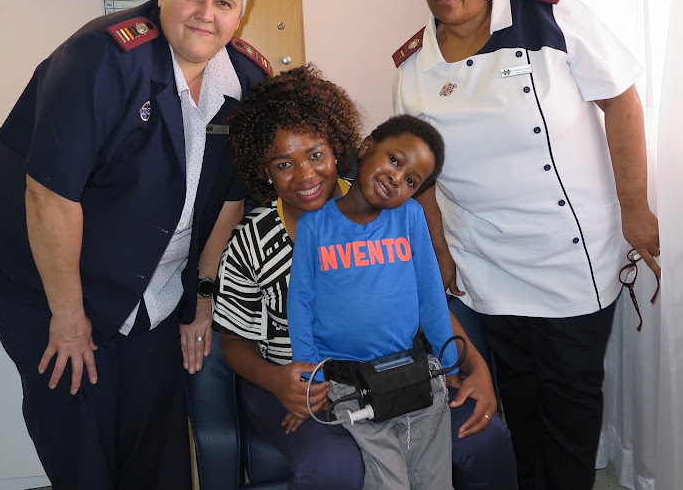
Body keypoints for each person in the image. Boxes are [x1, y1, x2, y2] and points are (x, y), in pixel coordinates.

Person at [0, 0, 271, 490]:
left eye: (223, 2)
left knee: (154, 409)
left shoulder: (247, 81)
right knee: (78, 392)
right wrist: (69, 317)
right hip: (29, 251)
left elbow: (231, 194)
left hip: (140, 257)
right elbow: (51, 194)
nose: (205, 14)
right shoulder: (103, 57)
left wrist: (201, 299)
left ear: (241, 13)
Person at [392, 0, 660, 490]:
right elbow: (421, 178)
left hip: (570, 256)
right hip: (486, 261)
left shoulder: (548, 16)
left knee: (569, 405)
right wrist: (439, 251)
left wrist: (635, 207)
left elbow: (621, 99)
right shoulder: (415, 67)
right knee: (520, 401)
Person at [213, 66, 517, 490]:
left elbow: (427, 299)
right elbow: (232, 341)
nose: (305, 175)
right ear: (264, 169)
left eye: (316, 155)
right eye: (284, 163)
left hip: (397, 368)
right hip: (291, 378)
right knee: (334, 467)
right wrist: (278, 380)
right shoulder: (252, 239)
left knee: (483, 438)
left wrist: (476, 368)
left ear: (339, 149)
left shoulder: (389, 207)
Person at [288, 114, 458, 490]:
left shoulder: (410, 218)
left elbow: (431, 295)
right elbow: (300, 303)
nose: (397, 177)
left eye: (411, 180)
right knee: (389, 483)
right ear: (366, 148)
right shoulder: (315, 226)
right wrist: (307, 380)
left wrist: (449, 366)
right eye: (395, 160)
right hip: (349, 383)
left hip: (416, 373)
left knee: (434, 482)